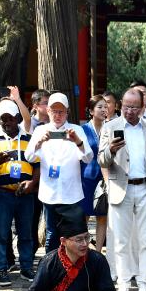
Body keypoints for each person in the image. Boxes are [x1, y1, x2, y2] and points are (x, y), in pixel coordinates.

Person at [98, 88, 146, 291]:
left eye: (134, 107)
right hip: (120, 188)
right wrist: (110, 150)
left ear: (142, 107)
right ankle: (124, 283)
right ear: (120, 105)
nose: (129, 111)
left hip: (145, 188)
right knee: (120, 241)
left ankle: (143, 283)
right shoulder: (110, 127)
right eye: (126, 106)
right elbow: (101, 160)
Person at [25, 92, 93, 254]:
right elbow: (29, 157)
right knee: (52, 234)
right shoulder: (40, 130)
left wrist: (77, 141)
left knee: (74, 234)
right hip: (50, 192)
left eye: (61, 111)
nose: (57, 115)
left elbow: (88, 158)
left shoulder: (76, 130)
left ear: (67, 112)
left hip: (71, 192)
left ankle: (73, 265)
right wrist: (40, 142)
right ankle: (51, 265)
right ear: (48, 111)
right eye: (54, 111)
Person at [0, 98, 38, 287]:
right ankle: (0, 268)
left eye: (10, 118)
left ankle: (26, 267)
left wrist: (33, 183)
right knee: (0, 234)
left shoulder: (30, 140)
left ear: (17, 118)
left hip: (26, 194)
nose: (6, 122)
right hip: (2, 194)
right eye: (2, 119)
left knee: (26, 233)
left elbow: (38, 165)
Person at [80, 95, 109, 254]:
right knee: (84, 215)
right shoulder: (83, 129)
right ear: (91, 111)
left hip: (104, 178)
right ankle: (83, 250)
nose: (104, 109)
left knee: (102, 216)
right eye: (100, 107)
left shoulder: (110, 128)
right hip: (86, 178)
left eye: (105, 107)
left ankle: (98, 252)